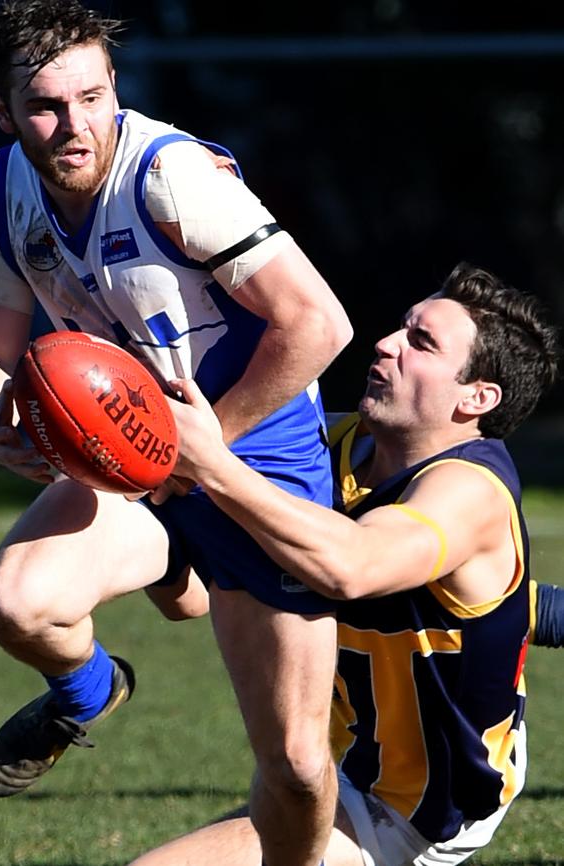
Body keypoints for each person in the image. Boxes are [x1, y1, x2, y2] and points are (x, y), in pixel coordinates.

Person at [0, 3, 352, 866]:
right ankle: (91, 689)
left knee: (291, 766)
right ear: (2, 109)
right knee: (16, 603)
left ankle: (192, 568)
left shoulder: (172, 178)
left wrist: (202, 450)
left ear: (114, 89)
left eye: (92, 98)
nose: (74, 125)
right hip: (137, 458)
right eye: (45, 106)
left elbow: (319, 324)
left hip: (260, 458)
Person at [129, 262, 559, 865]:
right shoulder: (331, 446)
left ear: (477, 397)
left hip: (423, 807)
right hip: (344, 768)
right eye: (400, 328)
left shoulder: (471, 492)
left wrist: (212, 465)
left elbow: (349, 566)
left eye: (421, 342)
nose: (386, 343)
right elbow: (192, 598)